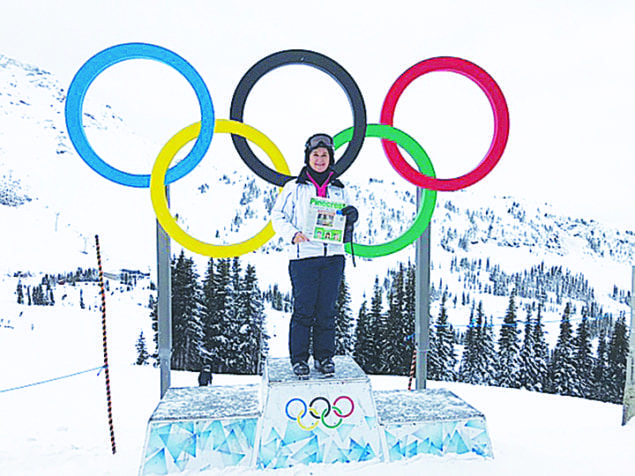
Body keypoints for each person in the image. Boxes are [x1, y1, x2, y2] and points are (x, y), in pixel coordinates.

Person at [271, 133, 358, 379]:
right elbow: (277, 216)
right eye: (315, 155)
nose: (320, 159)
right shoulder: (294, 187)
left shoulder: (340, 189)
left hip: (333, 256)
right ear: (307, 157)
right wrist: (293, 234)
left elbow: (348, 220)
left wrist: (352, 216)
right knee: (304, 310)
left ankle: (324, 357)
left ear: (331, 158)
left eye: (324, 155)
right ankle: (299, 359)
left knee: (327, 310)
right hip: (303, 257)